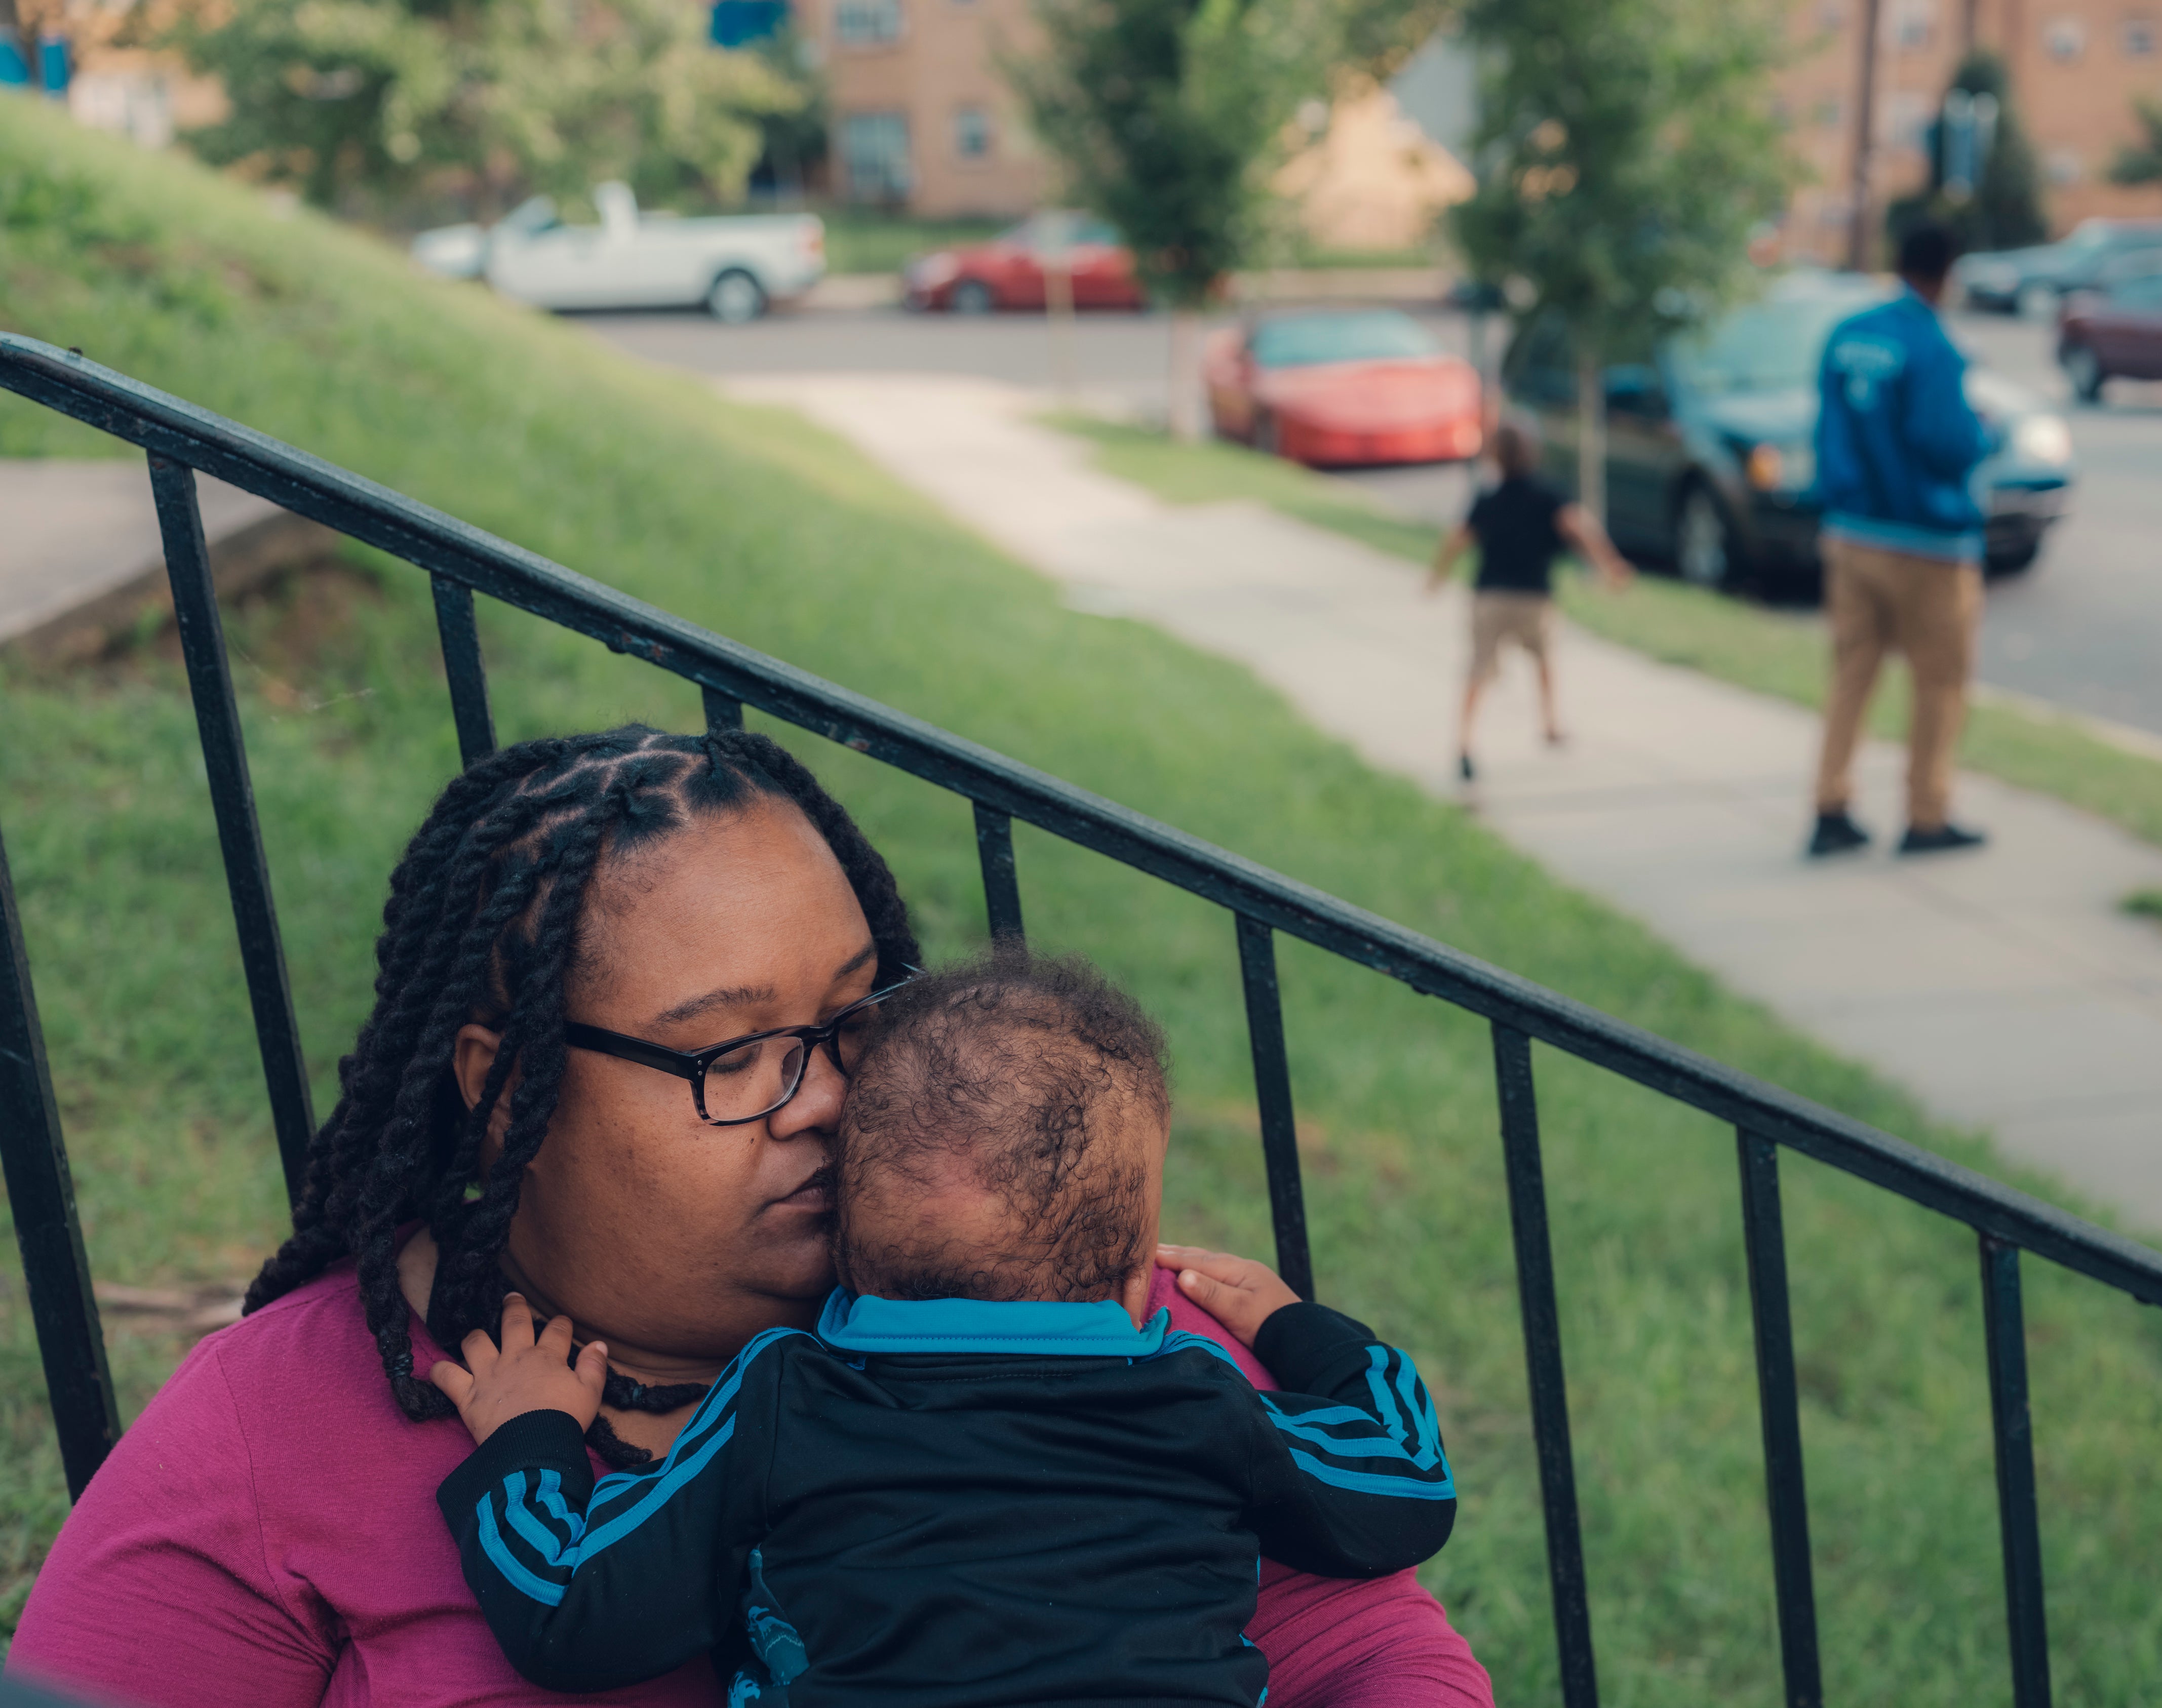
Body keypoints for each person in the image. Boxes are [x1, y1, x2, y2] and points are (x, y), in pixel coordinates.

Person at [10, 726, 1493, 1708]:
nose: (825, 1100)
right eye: (730, 1051)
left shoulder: (1046, 1315)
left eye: (855, 1017)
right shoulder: (277, 1428)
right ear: (506, 1079)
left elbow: (1371, 1649)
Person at [433, 952, 1455, 1704]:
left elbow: (566, 1612)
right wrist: (1298, 1328)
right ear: (1138, 1273)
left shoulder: (786, 1393)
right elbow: (1407, 1484)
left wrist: (531, 1437)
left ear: (839, 1241)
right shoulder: (1197, 1393)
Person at [1808, 222, 1999, 857]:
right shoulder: (1934, 347)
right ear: (1946, 273)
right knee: (1940, 683)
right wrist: (1984, 433)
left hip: (1851, 534)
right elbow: (1946, 443)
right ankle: (1926, 813)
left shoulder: (1847, 334)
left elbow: (1829, 428)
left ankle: (1830, 805)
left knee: (1851, 675)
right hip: (1927, 543)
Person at [1426, 419, 1632, 776]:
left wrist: (1437, 576)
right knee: (1544, 658)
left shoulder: (1487, 498)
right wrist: (1608, 565)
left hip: (1489, 597)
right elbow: (1579, 527)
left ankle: (1464, 740)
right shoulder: (1548, 494)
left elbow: (1457, 539)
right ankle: (1549, 723)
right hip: (1534, 598)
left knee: (1478, 668)